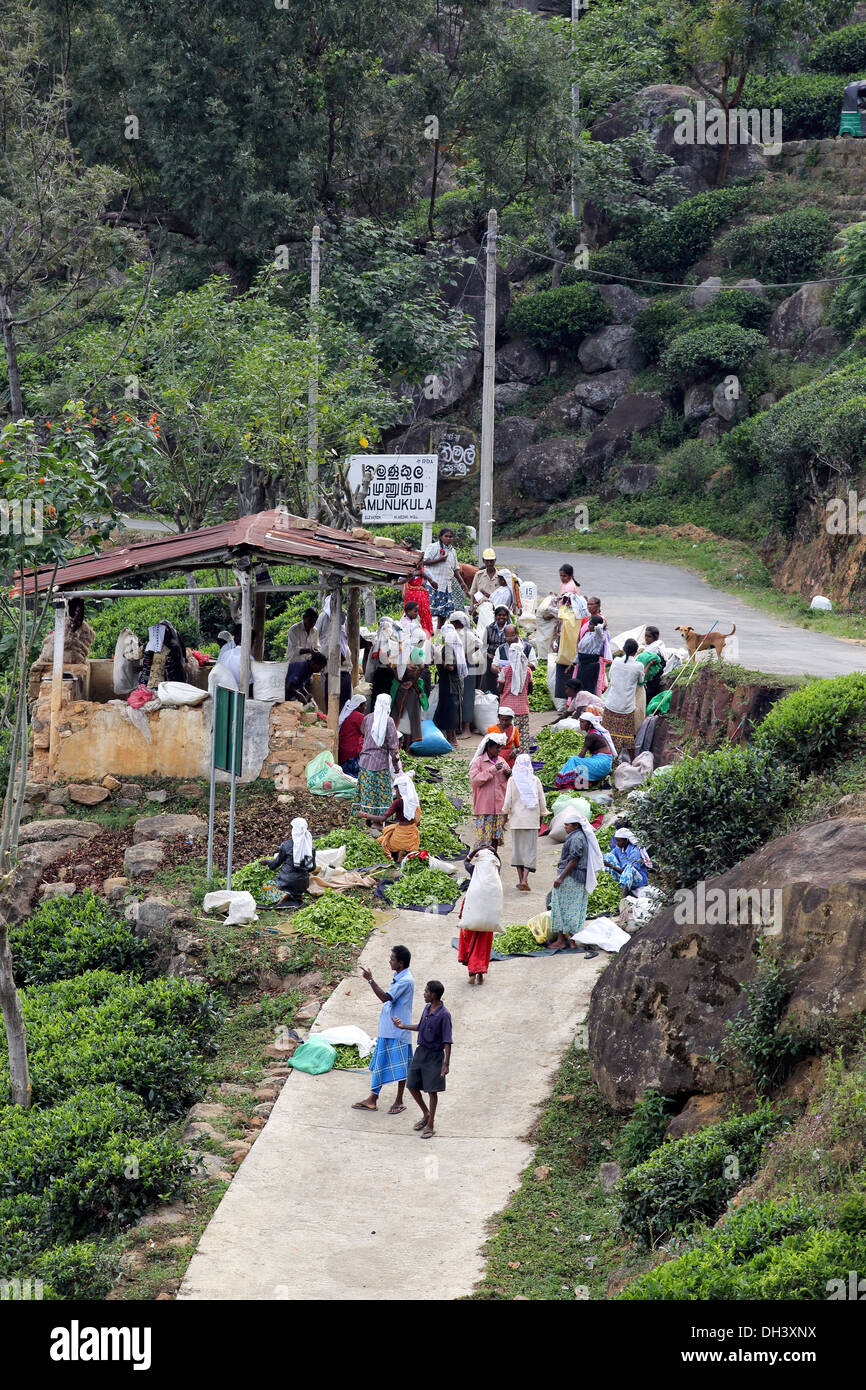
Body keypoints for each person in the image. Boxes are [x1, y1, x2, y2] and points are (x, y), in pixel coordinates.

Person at [352, 946, 415, 1115]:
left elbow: (385, 997)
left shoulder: (405, 981)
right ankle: (373, 1098)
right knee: (383, 1064)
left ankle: (397, 1100)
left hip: (397, 1030)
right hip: (390, 1029)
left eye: (392, 959)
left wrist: (371, 980)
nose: (390, 961)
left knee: (401, 1066)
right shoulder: (400, 976)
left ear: (400, 963)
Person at [392, 979, 452, 1138]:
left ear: (433, 995)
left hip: (434, 1056)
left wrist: (446, 1063)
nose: (423, 994)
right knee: (411, 1085)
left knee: (432, 1091)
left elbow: (447, 1041)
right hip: (421, 1053)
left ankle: (431, 1124)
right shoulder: (427, 1008)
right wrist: (403, 1026)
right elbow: (420, 1027)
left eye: (426, 992)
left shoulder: (444, 1015)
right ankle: (425, 1113)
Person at [548, 807, 603, 956]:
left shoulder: (576, 838)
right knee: (573, 908)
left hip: (572, 876)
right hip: (577, 876)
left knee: (561, 906)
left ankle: (561, 939)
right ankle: (571, 940)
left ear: (576, 826)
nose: (565, 827)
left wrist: (561, 878)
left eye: (567, 825)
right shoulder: (576, 836)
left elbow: (573, 860)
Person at [29, 596, 95, 697]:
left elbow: (85, 640)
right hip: (61, 660)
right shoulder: (65, 625)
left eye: (80, 610)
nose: (78, 613)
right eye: (77, 610)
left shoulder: (83, 628)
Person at [502, 752, 548, 891]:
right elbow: (542, 801)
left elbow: (508, 801)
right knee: (530, 850)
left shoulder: (512, 780)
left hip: (516, 820)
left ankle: (520, 879)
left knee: (518, 851)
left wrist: (504, 818)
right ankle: (524, 879)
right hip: (531, 820)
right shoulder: (535, 780)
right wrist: (541, 816)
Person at [457, 846, 502, 984]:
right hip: (488, 915)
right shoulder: (495, 872)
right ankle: (480, 972)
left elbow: (466, 862)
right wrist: (493, 851)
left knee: (470, 939)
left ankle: (472, 972)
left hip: (472, 910)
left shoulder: (474, 871)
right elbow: (500, 862)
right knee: (483, 943)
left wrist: (477, 849)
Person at [353, 692, 401, 820]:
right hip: (380, 763)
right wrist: (396, 766)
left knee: (368, 792)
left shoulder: (368, 718)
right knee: (380, 794)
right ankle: (378, 821)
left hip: (365, 761)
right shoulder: (389, 721)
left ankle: (367, 817)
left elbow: (363, 731)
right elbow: (393, 746)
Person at [602, 638, 645, 756]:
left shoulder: (616, 661)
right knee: (627, 737)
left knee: (606, 735)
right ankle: (632, 762)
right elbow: (641, 681)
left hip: (611, 704)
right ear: (636, 652)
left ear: (624, 649)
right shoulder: (639, 666)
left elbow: (611, 676)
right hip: (626, 707)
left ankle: (605, 756)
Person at [470, 731, 511, 850]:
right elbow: (475, 781)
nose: (499, 750)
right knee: (483, 839)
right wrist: (492, 770)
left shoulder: (502, 761)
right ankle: (483, 861)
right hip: (484, 807)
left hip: (499, 807)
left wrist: (509, 775)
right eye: (497, 747)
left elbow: (508, 783)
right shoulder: (478, 762)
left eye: (500, 747)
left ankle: (493, 859)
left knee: (495, 838)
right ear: (489, 747)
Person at [369, 769, 422, 861]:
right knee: (391, 828)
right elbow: (418, 823)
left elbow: (383, 818)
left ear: (401, 790)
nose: (395, 792)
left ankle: (398, 852)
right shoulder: (415, 802)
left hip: (399, 838)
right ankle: (404, 852)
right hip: (411, 838)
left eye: (396, 790)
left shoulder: (398, 802)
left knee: (384, 841)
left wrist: (365, 815)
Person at [265, 817, 316, 907]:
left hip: (286, 881)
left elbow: (275, 864)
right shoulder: (309, 847)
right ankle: (297, 897)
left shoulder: (286, 845)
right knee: (298, 883)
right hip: (303, 884)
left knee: (268, 885)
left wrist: (267, 862)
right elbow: (311, 867)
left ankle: (284, 894)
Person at [495, 636, 533, 753]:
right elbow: (530, 689)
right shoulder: (527, 671)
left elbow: (500, 689)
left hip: (506, 710)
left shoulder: (505, 670)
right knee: (523, 736)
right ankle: (523, 757)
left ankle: (506, 756)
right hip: (522, 708)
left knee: (507, 734)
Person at [422, 527, 469, 619]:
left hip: (447, 585)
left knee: (445, 611)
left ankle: (439, 630)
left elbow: (455, 569)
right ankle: (428, 629)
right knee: (430, 609)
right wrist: (439, 560)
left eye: (450, 537)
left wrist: (462, 582)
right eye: (446, 536)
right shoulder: (433, 547)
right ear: (440, 537)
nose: (448, 538)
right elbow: (424, 562)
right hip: (434, 584)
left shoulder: (453, 551)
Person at [604, 826, 652, 895]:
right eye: (616, 840)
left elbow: (628, 871)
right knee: (607, 856)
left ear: (626, 840)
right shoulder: (619, 848)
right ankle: (614, 885)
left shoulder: (634, 852)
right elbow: (610, 856)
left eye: (619, 841)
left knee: (628, 867)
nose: (617, 843)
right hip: (623, 874)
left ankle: (623, 898)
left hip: (637, 879)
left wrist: (611, 866)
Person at [482, 605, 511, 693]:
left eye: (504, 615)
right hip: (491, 658)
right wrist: (487, 654)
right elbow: (483, 645)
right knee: (489, 681)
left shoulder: (510, 628)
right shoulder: (489, 628)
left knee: (503, 680)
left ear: (507, 616)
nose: (501, 617)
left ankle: (502, 698)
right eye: (499, 615)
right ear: (495, 616)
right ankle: (490, 696)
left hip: (505, 659)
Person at [575, 613, 607, 693]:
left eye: (591, 624)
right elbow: (581, 651)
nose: (588, 626)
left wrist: (603, 624)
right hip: (582, 665)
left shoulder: (599, 636)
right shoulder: (587, 634)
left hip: (591, 666)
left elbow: (599, 628)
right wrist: (574, 663)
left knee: (588, 689)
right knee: (579, 688)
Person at [338, 692, 366, 776]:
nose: (365, 708)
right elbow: (365, 732)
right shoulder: (359, 716)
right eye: (364, 705)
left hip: (343, 750)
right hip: (351, 751)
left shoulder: (348, 714)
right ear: (359, 706)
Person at [637, 626, 665, 704]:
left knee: (647, 698)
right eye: (645, 636)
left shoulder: (655, 649)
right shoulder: (654, 646)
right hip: (649, 679)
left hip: (653, 680)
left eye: (649, 636)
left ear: (655, 637)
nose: (646, 638)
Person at [401, 567, 433, 636]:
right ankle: (409, 632)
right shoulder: (407, 570)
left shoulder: (425, 571)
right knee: (410, 614)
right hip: (410, 597)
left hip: (422, 599)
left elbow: (434, 584)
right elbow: (399, 581)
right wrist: (410, 576)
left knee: (424, 615)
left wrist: (425, 576)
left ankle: (425, 633)